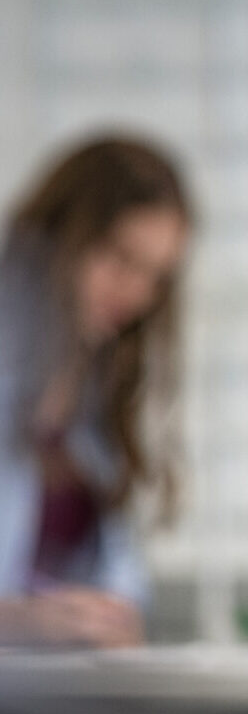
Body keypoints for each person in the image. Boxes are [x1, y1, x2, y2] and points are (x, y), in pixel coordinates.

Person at [0, 138, 191, 648]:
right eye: (120, 257)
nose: (136, 293)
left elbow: (123, 592)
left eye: (155, 276)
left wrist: (117, 626)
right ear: (55, 235)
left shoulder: (99, 406)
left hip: (60, 710)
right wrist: (17, 625)